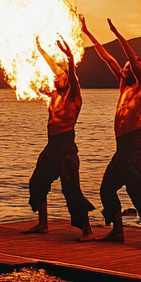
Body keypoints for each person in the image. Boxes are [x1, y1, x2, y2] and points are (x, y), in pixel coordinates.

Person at [79, 16, 141, 248]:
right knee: (106, 189)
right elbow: (106, 56)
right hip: (120, 148)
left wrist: (116, 31)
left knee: (136, 190)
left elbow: (132, 60)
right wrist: (87, 31)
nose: (125, 69)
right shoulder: (123, 85)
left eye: (130, 67)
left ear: (139, 70)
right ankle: (117, 231)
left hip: (134, 145)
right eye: (124, 68)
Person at [25, 36, 95, 237]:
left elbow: (72, 77)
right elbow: (53, 67)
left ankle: (87, 231)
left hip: (66, 146)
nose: (56, 78)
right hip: (51, 146)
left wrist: (70, 58)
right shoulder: (54, 95)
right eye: (55, 77)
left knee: (71, 190)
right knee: (37, 182)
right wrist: (40, 48)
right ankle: (42, 224)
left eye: (60, 77)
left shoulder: (74, 97)